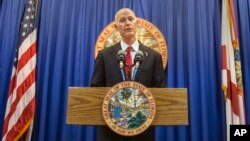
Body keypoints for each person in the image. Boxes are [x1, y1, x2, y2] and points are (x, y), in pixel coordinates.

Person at [91, 8, 165, 141]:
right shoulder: (104, 55)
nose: (127, 23)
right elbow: (95, 89)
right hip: (111, 130)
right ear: (116, 27)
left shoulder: (154, 57)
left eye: (131, 19)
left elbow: (160, 92)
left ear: (137, 23)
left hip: (142, 128)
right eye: (122, 20)